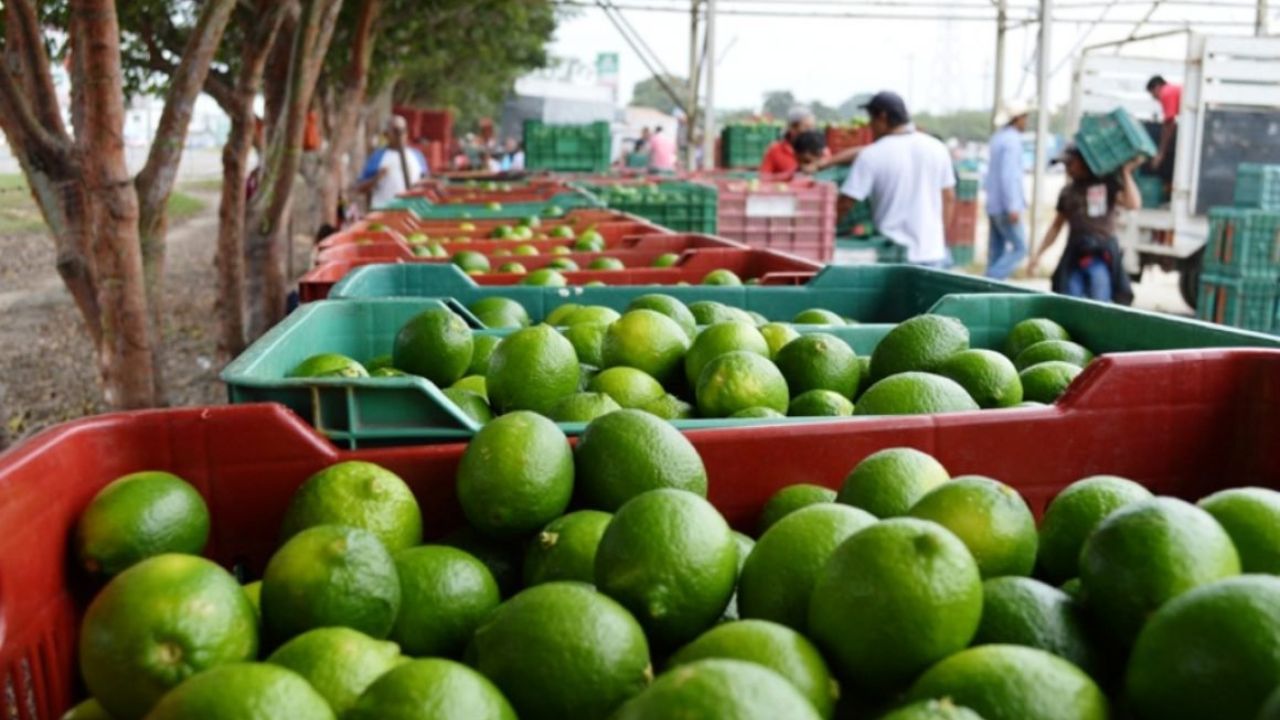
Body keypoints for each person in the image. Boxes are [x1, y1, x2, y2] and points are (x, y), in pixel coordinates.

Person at [837, 91, 956, 266]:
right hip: (933, 254)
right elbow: (949, 198)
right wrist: (939, 239)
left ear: (882, 117)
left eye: (872, 120)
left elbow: (846, 202)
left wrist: (827, 230)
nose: (870, 126)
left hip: (893, 258)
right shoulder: (937, 148)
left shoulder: (872, 154)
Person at [1029, 144, 1141, 304]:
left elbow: (1133, 203)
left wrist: (1125, 172)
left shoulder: (1106, 185)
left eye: (1070, 163)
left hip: (1102, 255)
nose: (1068, 169)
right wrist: (1038, 255)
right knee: (1069, 299)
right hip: (1075, 254)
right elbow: (1056, 226)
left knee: (1099, 300)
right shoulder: (1067, 192)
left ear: (1083, 161)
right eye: (1065, 165)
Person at [984, 101, 1033, 280]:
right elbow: (1009, 176)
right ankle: (990, 279)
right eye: (1025, 118)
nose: (1026, 122)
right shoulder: (1012, 141)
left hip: (994, 204)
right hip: (1006, 206)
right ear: (1017, 119)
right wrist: (1013, 205)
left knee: (996, 252)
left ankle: (985, 288)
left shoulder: (998, 138)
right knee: (1020, 248)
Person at [354, 116, 428, 209]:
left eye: (403, 130)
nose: (400, 135)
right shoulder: (378, 157)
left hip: (411, 213)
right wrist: (376, 179)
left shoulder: (417, 155)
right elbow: (359, 188)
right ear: (386, 135)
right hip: (383, 213)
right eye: (395, 131)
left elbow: (426, 183)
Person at [760, 106, 817, 177]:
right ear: (793, 128)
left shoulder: (819, 149)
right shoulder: (775, 150)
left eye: (813, 127)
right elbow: (764, 178)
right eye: (807, 127)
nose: (811, 131)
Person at [1146, 75, 1182, 184]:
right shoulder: (1173, 90)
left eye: (1152, 94)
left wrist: (1160, 153)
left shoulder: (1166, 93)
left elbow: (1169, 123)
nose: (1154, 98)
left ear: (1157, 87)